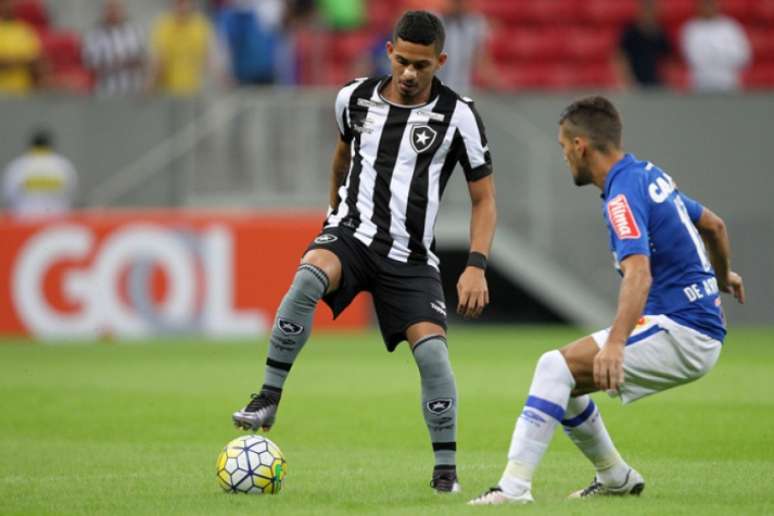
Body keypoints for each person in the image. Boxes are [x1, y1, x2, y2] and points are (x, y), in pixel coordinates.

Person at [232, 10, 497, 493]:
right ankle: (268, 396)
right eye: (402, 61)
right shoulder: (352, 98)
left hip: (412, 258)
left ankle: (445, 474)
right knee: (309, 275)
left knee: (434, 356)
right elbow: (341, 157)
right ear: (389, 51)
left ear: (440, 61)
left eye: (422, 64)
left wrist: (476, 266)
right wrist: (333, 215)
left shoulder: (458, 115)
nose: (410, 73)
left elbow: (485, 199)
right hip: (353, 235)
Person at [469, 96, 744, 505]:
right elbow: (714, 225)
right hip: (695, 322)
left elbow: (639, 273)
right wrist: (722, 277)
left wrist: (615, 343)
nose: (564, 159)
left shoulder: (620, 196)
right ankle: (616, 477)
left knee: (552, 366)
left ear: (580, 145)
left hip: (682, 329)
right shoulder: (649, 175)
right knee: (563, 380)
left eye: (564, 149)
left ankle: (513, 489)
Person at [3, 129, 78, 218]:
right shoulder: (63, 166)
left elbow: (8, 194)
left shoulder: (18, 166)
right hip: (57, 220)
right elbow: (72, 192)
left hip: (25, 221)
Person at [681, 0, 751, 92]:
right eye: (705, 4)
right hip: (701, 84)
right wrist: (719, 54)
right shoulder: (691, 28)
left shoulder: (730, 27)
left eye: (710, 4)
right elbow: (692, 58)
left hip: (728, 83)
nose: (708, 7)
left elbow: (743, 56)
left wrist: (716, 56)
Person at [150, 0, 215, 96]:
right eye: (179, 3)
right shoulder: (164, 26)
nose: (183, 7)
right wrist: (153, 84)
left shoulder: (200, 25)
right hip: (170, 89)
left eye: (185, 3)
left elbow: (208, 56)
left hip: (195, 88)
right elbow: (160, 60)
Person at [82, 0, 146, 97]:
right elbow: (88, 63)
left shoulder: (135, 30)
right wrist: (112, 63)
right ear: (103, 11)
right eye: (110, 8)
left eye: (116, 8)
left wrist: (133, 61)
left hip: (132, 91)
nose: (113, 11)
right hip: (105, 91)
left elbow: (144, 59)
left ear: (123, 10)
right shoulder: (94, 34)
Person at [438, 0, 502, 94]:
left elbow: (481, 61)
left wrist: (501, 86)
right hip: (432, 92)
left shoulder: (475, 24)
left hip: (461, 92)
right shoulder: (429, 21)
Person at [614, 0, 671, 89]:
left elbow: (668, 60)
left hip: (655, 84)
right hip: (635, 83)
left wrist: (666, 80)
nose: (649, 14)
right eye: (646, 10)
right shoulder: (630, 32)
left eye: (651, 11)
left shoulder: (660, 33)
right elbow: (620, 57)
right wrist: (627, 80)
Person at [0, 0, 42, 95]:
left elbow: (36, 60)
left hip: (24, 91)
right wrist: (22, 61)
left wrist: (13, 61)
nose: (8, 9)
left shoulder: (25, 30)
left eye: (11, 6)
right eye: (5, 6)